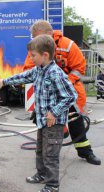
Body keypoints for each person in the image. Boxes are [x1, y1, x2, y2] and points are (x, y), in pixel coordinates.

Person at [0, 34, 77, 192]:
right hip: (42, 121)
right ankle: (41, 175)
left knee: (50, 155)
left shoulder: (55, 73)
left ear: (45, 55)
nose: (30, 58)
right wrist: (4, 81)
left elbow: (71, 96)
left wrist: (53, 112)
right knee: (40, 150)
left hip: (54, 124)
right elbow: (23, 76)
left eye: (33, 55)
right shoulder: (38, 70)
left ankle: (53, 185)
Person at [23, 20, 101, 166]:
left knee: (76, 121)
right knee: (45, 122)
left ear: (49, 34)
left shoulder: (68, 45)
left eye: (36, 37)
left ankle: (85, 152)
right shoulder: (36, 48)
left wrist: (64, 82)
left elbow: (79, 67)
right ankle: (47, 152)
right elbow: (28, 68)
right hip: (47, 94)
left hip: (69, 91)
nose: (34, 40)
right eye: (33, 38)